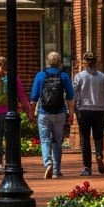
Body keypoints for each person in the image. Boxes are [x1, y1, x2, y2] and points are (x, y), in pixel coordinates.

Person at [29, 51, 75, 179]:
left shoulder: (40, 75)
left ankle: (48, 162)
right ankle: (56, 170)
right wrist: (71, 113)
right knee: (57, 141)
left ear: (47, 62)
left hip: (44, 112)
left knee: (44, 140)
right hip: (59, 112)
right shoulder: (64, 76)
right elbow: (71, 97)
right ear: (59, 63)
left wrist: (31, 113)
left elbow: (34, 97)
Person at [72, 52, 104, 176]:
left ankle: (87, 167)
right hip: (99, 110)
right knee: (98, 136)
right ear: (96, 62)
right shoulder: (103, 77)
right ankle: (99, 153)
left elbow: (75, 95)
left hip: (83, 110)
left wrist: (73, 109)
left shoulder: (79, 77)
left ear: (84, 63)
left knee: (85, 139)